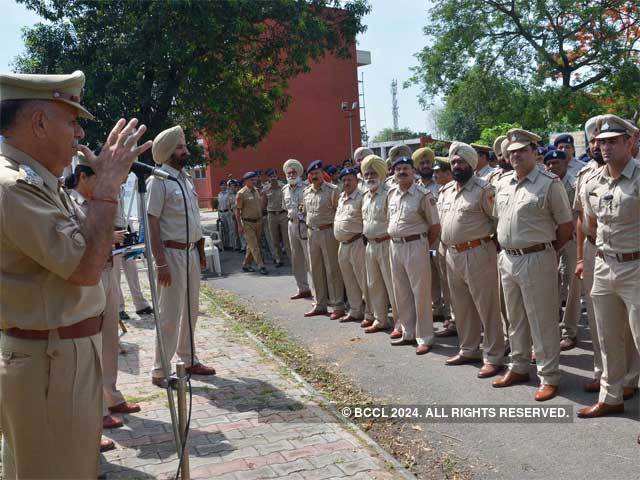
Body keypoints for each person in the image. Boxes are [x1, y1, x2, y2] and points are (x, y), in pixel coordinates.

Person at [0, 70, 151, 478]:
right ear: (38, 122)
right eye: (72, 119)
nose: (80, 132)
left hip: (63, 353)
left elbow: (88, 250)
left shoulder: (41, 183)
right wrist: (106, 187)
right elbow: (86, 267)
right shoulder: (13, 186)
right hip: (49, 360)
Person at [491, 129, 574, 402]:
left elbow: (565, 227)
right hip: (508, 257)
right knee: (514, 319)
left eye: (522, 150)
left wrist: (545, 250)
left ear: (534, 152)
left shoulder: (549, 183)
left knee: (542, 320)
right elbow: (498, 220)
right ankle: (519, 366)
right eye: (512, 152)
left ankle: (549, 376)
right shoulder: (503, 183)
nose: (516, 155)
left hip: (537, 257)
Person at [65, 153, 141, 441]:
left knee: (110, 337)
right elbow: (73, 240)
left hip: (111, 268)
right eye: (98, 179)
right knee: (92, 344)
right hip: (89, 277)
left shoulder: (99, 202)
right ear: (83, 177)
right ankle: (95, 407)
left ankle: (111, 395)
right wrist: (108, 238)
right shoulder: (70, 202)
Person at [577, 115, 640, 429]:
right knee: (607, 337)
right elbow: (589, 224)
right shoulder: (592, 180)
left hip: (636, 266)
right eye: (601, 141)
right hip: (603, 264)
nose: (605, 147)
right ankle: (610, 397)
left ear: (630, 142)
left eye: (613, 140)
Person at [147, 125, 216, 388]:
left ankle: (188, 359)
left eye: (185, 145)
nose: (186, 150)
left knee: (191, 310)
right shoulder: (159, 180)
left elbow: (194, 220)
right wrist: (160, 261)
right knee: (170, 315)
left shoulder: (184, 179)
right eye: (180, 147)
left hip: (189, 253)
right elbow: (152, 222)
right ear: (166, 151)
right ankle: (160, 369)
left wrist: (199, 251)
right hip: (171, 253)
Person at [438, 142, 505, 378]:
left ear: (471, 164)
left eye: (461, 161)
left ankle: (494, 356)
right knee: (461, 307)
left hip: (478, 252)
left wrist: (491, 249)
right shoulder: (445, 191)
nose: (457, 165)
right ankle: (468, 349)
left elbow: (499, 222)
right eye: (453, 161)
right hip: (452, 254)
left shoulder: (484, 190)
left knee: (487, 306)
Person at [387, 155, 441, 355]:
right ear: (393, 172)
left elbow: (435, 226)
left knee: (421, 293)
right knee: (401, 291)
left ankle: (425, 337)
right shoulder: (391, 193)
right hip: (395, 247)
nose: (401, 172)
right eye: (398, 168)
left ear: (413, 171)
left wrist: (426, 247)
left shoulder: (423, 194)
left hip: (416, 245)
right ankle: (408, 332)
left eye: (406, 168)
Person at [544, 150, 580, 350]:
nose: (551, 167)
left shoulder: (573, 184)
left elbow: (574, 217)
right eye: (548, 164)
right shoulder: (547, 183)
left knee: (572, 286)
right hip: (551, 240)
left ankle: (569, 331)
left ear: (566, 163)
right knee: (551, 285)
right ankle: (553, 329)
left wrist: (563, 240)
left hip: (571, 239)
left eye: (556, 163)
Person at [301, 160, 346, 319]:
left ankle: (337, 305)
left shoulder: (333, 191)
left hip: (328, 232)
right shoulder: (306, 192)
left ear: (322, 174)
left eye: (317, 173)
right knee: (315, 269)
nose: (314, 176)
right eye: (312, 174)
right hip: (311, 233)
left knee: (332, 269)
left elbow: (340, 213)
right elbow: (305, 212)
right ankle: (319, 304)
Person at [361, 154, 398, 334]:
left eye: (373, 174)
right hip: (370, 245)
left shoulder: (389, 193)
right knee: (373, 284)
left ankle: (399, 323)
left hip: (385, 244)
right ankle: (380, 319)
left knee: (392, 285)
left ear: (381, 174)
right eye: (366, 174)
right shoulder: (365, 196)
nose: (369, 177)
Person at [333, 167, 373, 324]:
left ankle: (370, 313)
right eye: (344, 180)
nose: (346, 182)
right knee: (349, 280)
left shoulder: (362, 197)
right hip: (342, 244)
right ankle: (355, 310)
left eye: (350, 179)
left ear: (357, 180)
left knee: (364, 280)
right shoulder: (341, 197)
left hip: (357, 242)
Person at [282, 158, 312, 300]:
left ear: (299, 173)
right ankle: (303, 288)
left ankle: (318, 292)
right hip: (291, 224)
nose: (291, 175)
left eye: (294, 172)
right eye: (289, 173)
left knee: (310, 258)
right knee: (296, 258)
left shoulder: (306, 187)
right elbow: (285, 208)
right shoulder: (285, 190)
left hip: (304, 225)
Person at [236, 171, 269, 275]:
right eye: (252, 180)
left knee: (252, 245)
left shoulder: (256, 191)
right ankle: (261, 265)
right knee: (254, 246)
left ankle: (246, 264)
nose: (254, 181)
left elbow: (260, 206)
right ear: (246, 181)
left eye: (255, 179)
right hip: (248, 223)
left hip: (258, 222)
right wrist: (239, 226)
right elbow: (237, 211)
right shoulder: (241, 193)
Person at [263, 168, 289, 267]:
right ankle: (279, 259)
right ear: (268, 178)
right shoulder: (266, 189)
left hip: (283, 214)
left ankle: (292, 258)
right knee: (274, 239)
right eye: (270, 176)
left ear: (277, 176)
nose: (273, 177)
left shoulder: (283, 187)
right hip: (272, 215)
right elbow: (264, 203)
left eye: (274, 175)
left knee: (286, 238)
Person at [217, 179, 238, 250]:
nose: (223, 186)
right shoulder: (219, 194)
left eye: (224, 185)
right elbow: (219, 205)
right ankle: (226, 245)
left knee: (231, 230)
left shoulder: (229, 193)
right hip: (221, 213)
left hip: (228, 212)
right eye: (222, 185)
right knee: (224, 230)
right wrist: (219, 215)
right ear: (220, 186)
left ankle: (233, 245)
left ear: (226, 186)